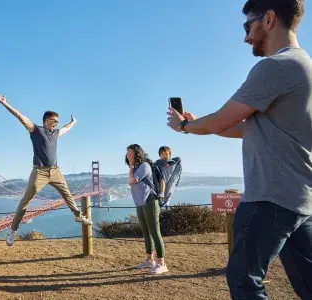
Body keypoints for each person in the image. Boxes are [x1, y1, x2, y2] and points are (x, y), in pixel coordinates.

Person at [167, 1, 311, 299]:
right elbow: (241, 128)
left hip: (269, 198)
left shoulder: (277, 66)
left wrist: (184, 127)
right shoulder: (304, 67)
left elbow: (224, 118)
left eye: (248, 26)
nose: (246, 37)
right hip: (300, 200)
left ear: (269, 19)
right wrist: (197, 124)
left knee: (244, 280)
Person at [0, 93, 93, 247]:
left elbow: (66, 128)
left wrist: (73, 122)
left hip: (55, 171)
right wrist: (5, 103)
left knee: (67, 194)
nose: (57, 123)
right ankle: (12, 230)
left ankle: (78, 215)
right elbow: (20, 116)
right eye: (55, 121)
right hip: (39, 172)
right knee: (26, 201)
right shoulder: (36, 130)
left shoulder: (55, 133)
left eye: (58, 121)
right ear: (47, 120)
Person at [125, 144, 168, 275]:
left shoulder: (144, 166)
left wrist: (131, 165)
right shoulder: (136, 167)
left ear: (137, 154)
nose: (128, 155)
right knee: (146, 232)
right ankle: (149, 260)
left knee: (155, 232)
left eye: (131, 153)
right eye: (127, 153)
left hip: (150, 201)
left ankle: (162, 263)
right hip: (140, 203)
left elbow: (132, 181)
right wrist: (132, 165)